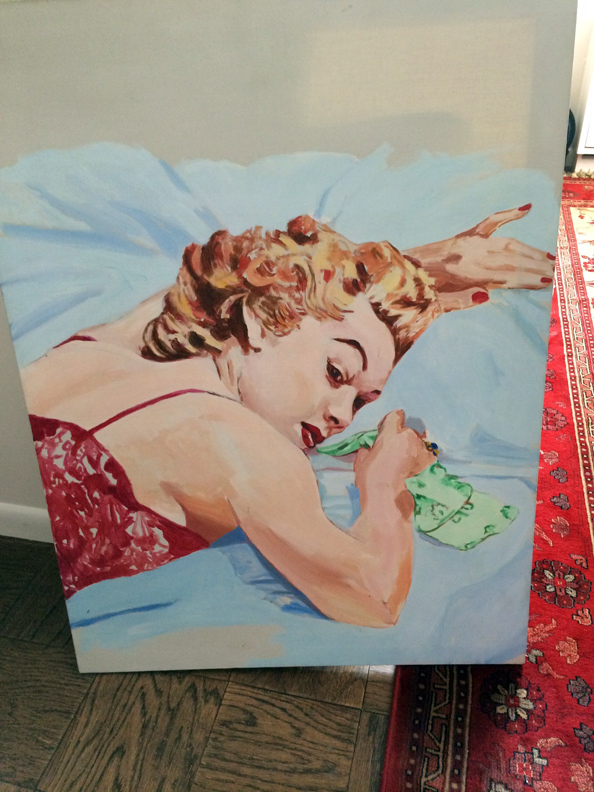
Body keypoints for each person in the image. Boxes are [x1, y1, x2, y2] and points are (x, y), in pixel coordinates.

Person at [23, 207, 554, 627]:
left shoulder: (109, 344)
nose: (343, 417)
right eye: (337, 372)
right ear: (262, 320)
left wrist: (420, 269)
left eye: (362, 402)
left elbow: (261, 285)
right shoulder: (241, 447)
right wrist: (385, 480)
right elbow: (375, 599)